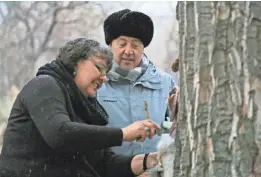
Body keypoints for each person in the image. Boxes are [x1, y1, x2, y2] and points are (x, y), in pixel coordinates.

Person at [0, 38, 161, 177]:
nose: (104, 78)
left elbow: (104, 164)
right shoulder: (44, 86)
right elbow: (60, 134)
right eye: (99, 68)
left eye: (106, 72)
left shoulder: (88, 108)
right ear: (75, 62)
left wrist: (148, 160)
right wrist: (124, 133)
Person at [97, 9, 176, 156]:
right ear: (110, 45)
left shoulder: (164, 82)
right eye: (122, 44)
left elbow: (171, 127)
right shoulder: (96, 81)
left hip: (153, 170)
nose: (128, 51)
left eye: (135, 45)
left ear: (143, 47)